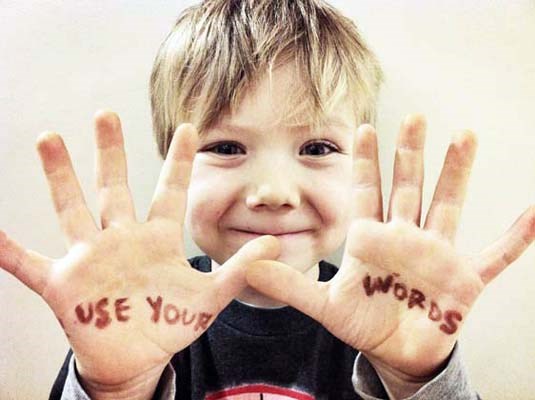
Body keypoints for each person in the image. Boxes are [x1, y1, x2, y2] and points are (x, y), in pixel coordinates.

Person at [0, 1, 533, 399]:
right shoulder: (129, 311)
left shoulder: (389, 312)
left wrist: (417, 377)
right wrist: (116, 389)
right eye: (226, 147)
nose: (273, 193)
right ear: (172, 170)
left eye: (318, 147)